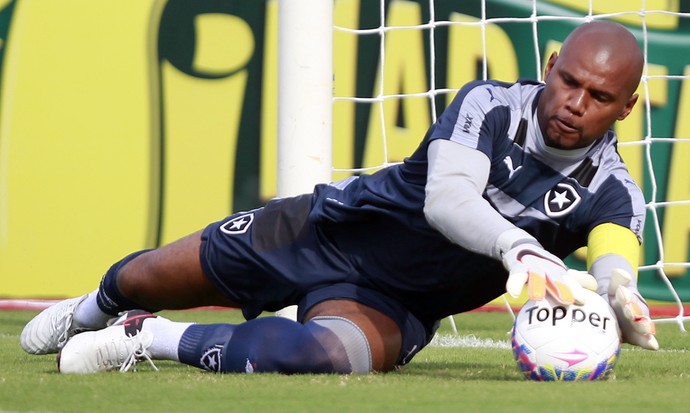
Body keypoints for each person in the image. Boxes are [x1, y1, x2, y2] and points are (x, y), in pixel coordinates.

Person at [21, 20, 658, 375]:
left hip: (395, 303)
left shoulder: (610, 190)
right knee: (144, 274)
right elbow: (447, 200)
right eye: (569, 81)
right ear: (550, 66)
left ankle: (146, 339)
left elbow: (614, 249)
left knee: (318, 356)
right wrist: (519, 248)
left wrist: (619, 289)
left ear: (626, 107)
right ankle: (93, 311)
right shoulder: (489, 105)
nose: (575, 103)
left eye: (599, 96)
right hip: (327, 230)